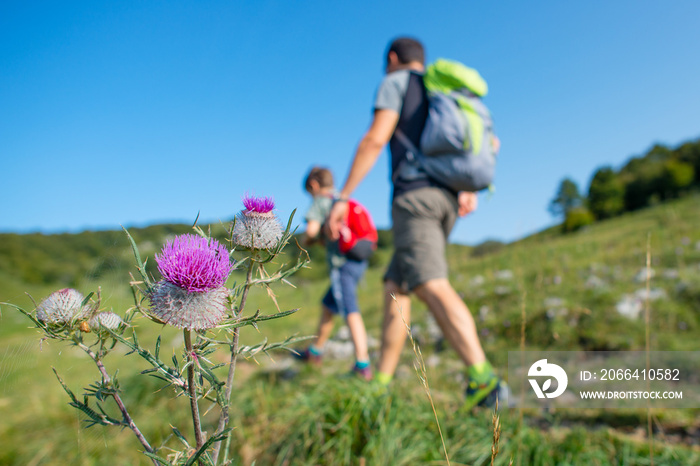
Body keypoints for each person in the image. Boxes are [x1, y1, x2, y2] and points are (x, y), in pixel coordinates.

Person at [326, 37, 505, 408]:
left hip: (415, 200)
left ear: (393, 58)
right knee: (397, 286)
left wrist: (343, 197)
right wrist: (464, 187)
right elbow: (493, 143)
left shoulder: (397, 82)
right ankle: (383, 382)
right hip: (447, 201)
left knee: (430, 283)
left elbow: (376, 139)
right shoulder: (446, 93)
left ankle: (484, 380)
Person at [295, 166, 373, 380]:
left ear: (313, 185)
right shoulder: (342, 198)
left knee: (350, 308)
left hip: (341, 264)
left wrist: (307, 240)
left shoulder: (321, 201)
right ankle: (315, 352)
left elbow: (310, 231)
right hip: (358, 260)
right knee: (328, 305)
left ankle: (362, 365)